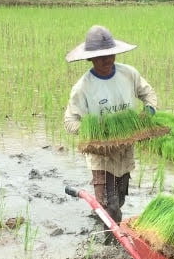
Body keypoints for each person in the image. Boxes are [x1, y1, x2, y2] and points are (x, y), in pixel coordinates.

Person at [64, 25, 158, 244]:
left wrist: (149, 109)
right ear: (90, 59)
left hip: (125, 152)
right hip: (101, 156)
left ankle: (109, 228)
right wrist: (93, 130)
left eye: (110, 54)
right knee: (110, 205)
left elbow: (148, 93)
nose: (107, 60)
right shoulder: (83, 87)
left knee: (121, 197)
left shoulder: (128, 74)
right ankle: (111, 243)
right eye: (100, 57)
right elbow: (70, 121)